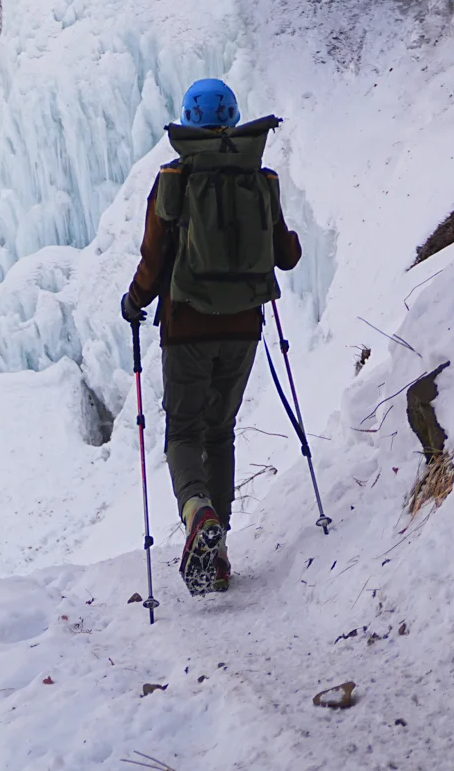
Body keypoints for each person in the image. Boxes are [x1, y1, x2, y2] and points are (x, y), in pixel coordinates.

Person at [120, 78, 302, 597]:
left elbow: (154, 260)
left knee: (183, 432)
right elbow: (285, 256)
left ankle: (197, 511)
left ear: (189, 121)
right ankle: (218, 554)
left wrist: (135, 301)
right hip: (243, 326)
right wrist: (286, 240)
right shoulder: (260, 178)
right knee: (220, 432)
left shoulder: (174, 179)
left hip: (187, 328)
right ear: (232, 119)